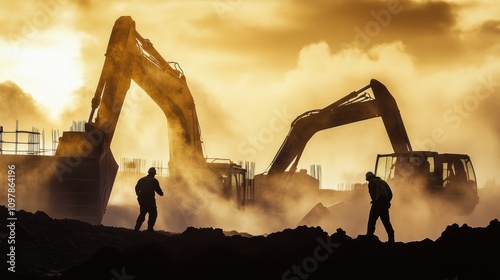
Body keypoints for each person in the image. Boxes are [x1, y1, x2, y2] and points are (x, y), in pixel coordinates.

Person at [365, 171, 395, 243]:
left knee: (372, 220)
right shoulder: (383, 182)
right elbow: (390, 193)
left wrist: (374, 200)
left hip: (377, 203)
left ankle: (369, 236)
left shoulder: (372, 182)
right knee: (386, 221)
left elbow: (373, 192)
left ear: (368, 178)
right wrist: (387, 202)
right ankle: (391, 239)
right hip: (384, 204)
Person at [134, 167, 164, 232]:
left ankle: (137, 228)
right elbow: (159, 191)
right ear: (154, 174)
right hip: (150, 200)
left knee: (142, 213)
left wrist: (138, 195)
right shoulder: (154, 181)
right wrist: (161, 193)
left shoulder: (142, 180)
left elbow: (136, 188)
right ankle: (150, 228)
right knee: (153, 214)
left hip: (142, 200)